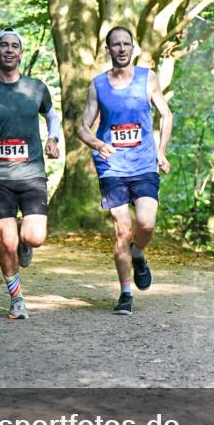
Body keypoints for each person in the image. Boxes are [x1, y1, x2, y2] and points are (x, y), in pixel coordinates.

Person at [76, 26, 173, 315]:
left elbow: (166, 114)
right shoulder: (98, 85)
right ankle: (125, 293)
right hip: (112, 167)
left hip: (143, 164)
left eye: (126, 44)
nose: (121, 49)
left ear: (133, 47)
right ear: (108, 49)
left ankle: (138, 253)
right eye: (116, 44)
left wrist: (161, 151)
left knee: (146, 224)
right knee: (122, 228)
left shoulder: (147, 78)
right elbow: (82, 127)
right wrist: (97, 143)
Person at [0, 28, 61, 319]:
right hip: (0, 177)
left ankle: (26, 244)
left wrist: (53, 138)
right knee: (6, 241)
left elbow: (52, 115)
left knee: (35, 237)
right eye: (4, 45)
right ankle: (16, 299)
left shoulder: (36, 88)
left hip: (32, 174)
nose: (9, 50)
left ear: (21, 53)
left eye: (14, 46)